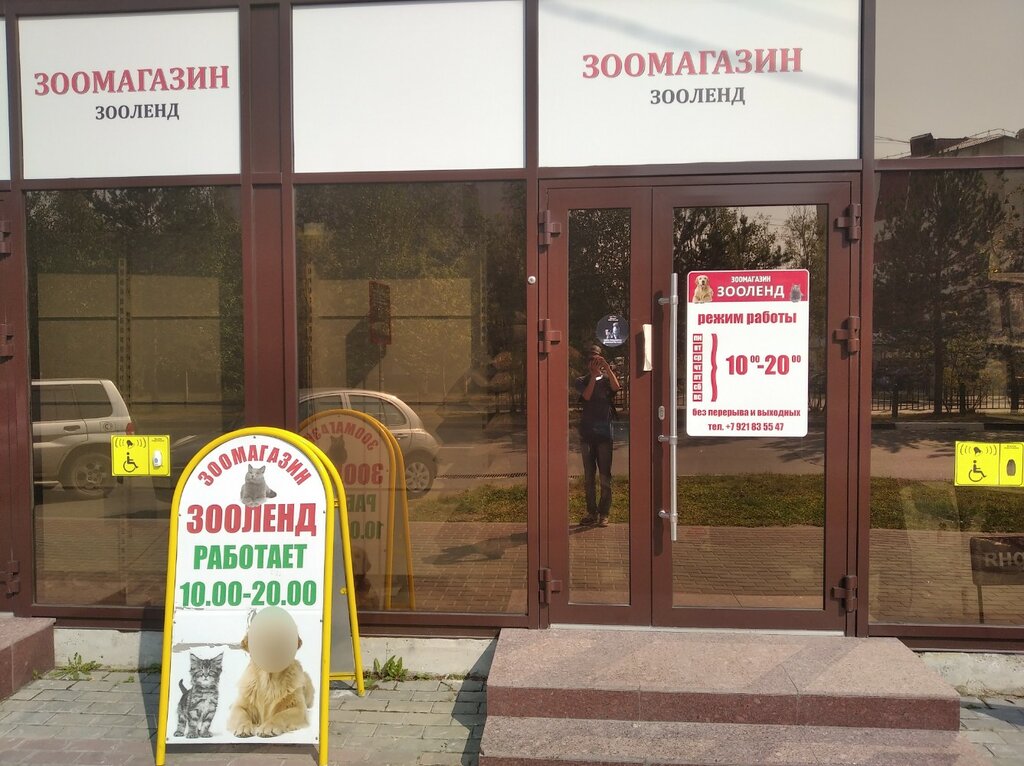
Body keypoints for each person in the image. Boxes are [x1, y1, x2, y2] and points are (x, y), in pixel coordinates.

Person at [575, 345, 621, 527]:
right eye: (590, 360)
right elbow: (586, 396)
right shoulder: (581, 380)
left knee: (605, 476)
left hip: (604, 434)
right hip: (587, 434)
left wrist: (607, 368)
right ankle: (591, 512)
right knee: (589, 477)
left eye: (596, 359)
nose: (593, 362)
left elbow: (616, 387)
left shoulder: (607, 380)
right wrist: (594, 376)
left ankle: (604, 513)